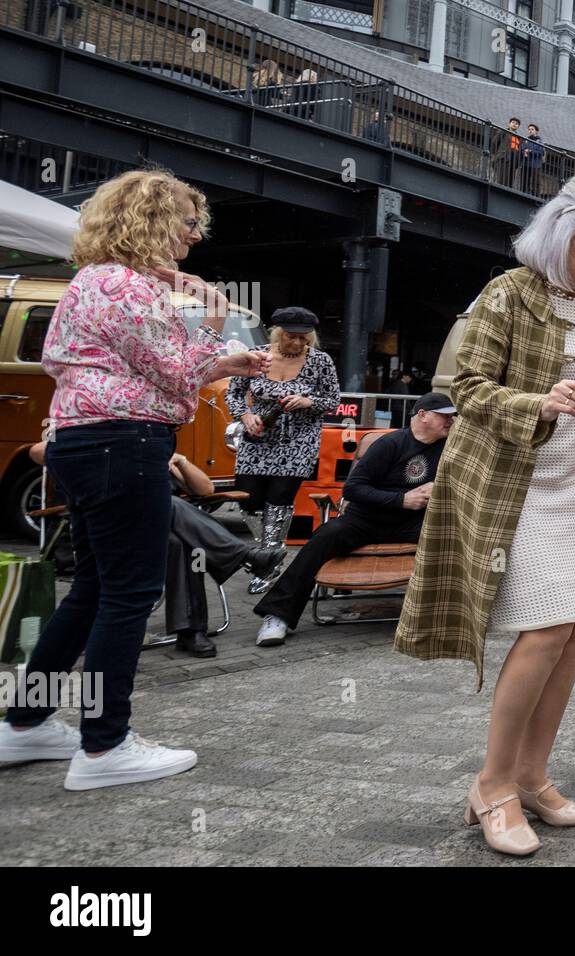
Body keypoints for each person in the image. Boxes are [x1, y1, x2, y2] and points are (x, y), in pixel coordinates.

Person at [394, 174, 575, 857]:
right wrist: (535, 403)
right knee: (543, 629)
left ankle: (532, 777)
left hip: (566, 488)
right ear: (561, 236)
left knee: (569, 634)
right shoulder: (506, 293)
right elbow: (464, 389)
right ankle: (493, 783)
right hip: (511, 486)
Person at [0, 170, 270, 789]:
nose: (194, 235)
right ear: (149, 221)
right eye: (186, 221)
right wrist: (211, 321)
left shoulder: (96, 280)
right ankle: (104, 746)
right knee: (128, 592)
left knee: (94, 588)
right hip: (124, 441)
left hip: (82, 440)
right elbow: (175, 371)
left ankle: (26, 722)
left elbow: (126, 363)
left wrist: (215, 352)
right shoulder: (127, 286)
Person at [253, 393, 455, 646]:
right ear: (423, 415)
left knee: (455, 535)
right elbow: (353, 489)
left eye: (452, 416)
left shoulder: (449, 448)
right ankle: (278, 615)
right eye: (445, 416)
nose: (451, 420)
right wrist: (401, 499)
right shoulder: (390, 444)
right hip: (366, 520)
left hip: (411, 523)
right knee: (323, 538)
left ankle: (452, 612)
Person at [225, 307, 340, 594]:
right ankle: (268, 551)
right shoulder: (258, 355)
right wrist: (245, 416)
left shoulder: (320, 361)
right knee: (248, 496)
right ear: (278, 333)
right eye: (292, 337)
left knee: (279, 497)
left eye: (305, 338)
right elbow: (234, 393)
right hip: (258, 434)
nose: (299, 343)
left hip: (299, 438)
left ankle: (270, 561)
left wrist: (307, 401)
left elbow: (333, 400)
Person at [162, 451, 286, 658]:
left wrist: (180, 461)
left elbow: (206, 489)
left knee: (188, 546)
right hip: (129, 534)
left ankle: (191, 631)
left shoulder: (154, 451)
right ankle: (245, 556)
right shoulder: (113, 455)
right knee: (166, 503)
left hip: (167, 536)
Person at [492, 117, 523, 188]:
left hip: (513, 160)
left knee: (510, 180)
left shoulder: (519, 137)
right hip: (503, 157)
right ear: (509, 124)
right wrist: (496, 155)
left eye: (516, 124)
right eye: (513, 122)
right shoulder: (504, 131)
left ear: (518, 126)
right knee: (501, 177)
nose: (514, 124)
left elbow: (519, 149)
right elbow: (495, 142)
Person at [521, 123, 544, 194]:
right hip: (526, 163)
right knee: (524, 180)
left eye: (532, 129)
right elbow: (522, 148)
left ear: (536, 131)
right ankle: (524, 192)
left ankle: (535, 195)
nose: (530, 131)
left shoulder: (540, 141)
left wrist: (530, 151)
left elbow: (541, 153)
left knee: (535, 181)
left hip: (535, 164)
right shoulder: (526, 140)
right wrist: (523, 152)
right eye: (529, 129)